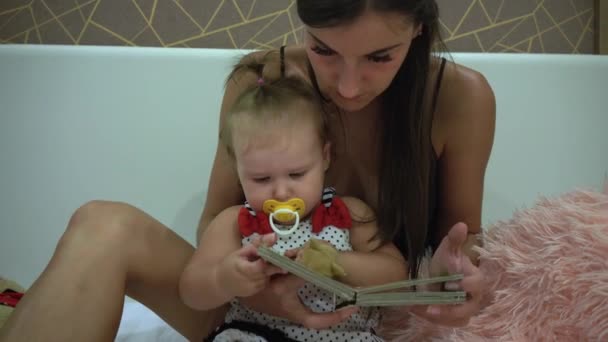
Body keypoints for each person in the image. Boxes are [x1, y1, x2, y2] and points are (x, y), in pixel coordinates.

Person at [0, 0, 494, 341]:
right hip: (248, 307)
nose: (346, 87)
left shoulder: (458, 97)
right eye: (324, 49)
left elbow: (462, 233)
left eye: (379, 57)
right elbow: (216, 225)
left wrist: (460, 272)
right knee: (101, 223)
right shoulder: (264, 80)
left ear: (419, 31)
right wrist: (254, 289)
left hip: (366, 320)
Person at [180, 74, 408, 341]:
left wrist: (334, 261)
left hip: (346, 335)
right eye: (261, 179)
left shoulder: (347, 213)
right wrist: (224, 279)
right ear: (237, 169)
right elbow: (190, 290)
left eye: (297, 174)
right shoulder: (235, 221)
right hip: (257, 333)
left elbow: (396, 275)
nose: (281, 191)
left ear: (324, 157)